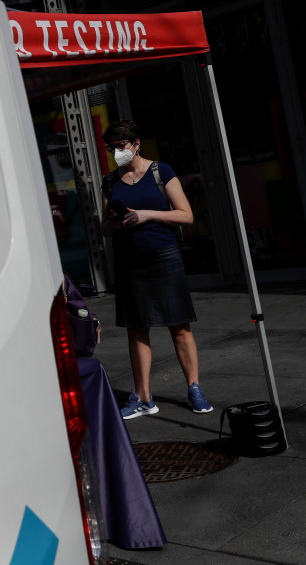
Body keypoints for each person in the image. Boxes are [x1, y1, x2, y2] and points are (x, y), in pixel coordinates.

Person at [99, 119, 213, 419]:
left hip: (163, 256)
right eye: (111, 148)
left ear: (136, 144)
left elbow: (186, 216)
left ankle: (194, 388)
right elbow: (104, 229)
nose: (116, 153)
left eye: (120, 147)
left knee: (179, 325)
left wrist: (147, 215)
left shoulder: (161, 172)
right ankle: (143, 397)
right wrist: (114, 220)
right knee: (137, 329)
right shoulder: (110, 180)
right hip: (129, 260)